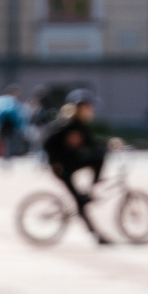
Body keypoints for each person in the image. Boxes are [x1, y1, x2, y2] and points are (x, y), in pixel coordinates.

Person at [38, 88, 111, 244]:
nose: (90, 110)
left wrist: (109, 144)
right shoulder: (66, 124)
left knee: (100, 155)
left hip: (69, 163)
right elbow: (46, 141)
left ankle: (90, 192)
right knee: (80, 202)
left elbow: (91, 143)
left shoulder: (79, 124)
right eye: (87, 107)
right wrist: (55, 160)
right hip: (61, 167)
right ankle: (97, 235)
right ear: (78, 108)